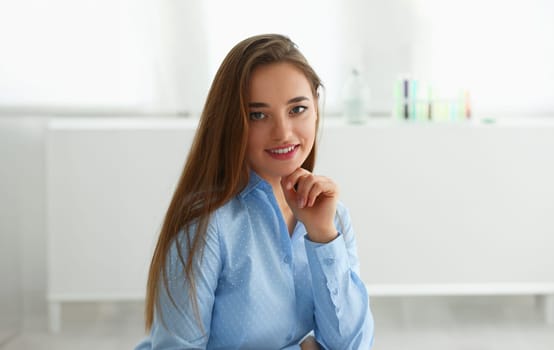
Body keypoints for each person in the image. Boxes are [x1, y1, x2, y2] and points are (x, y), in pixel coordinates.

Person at [135, 33, 374, 349]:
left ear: (316, 107)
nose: (283, 133)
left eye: (297, 109)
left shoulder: (332, 218)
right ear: (231, 122)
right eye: (258, 115)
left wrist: (322, 235)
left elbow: (353, 344)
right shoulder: (207, 226)